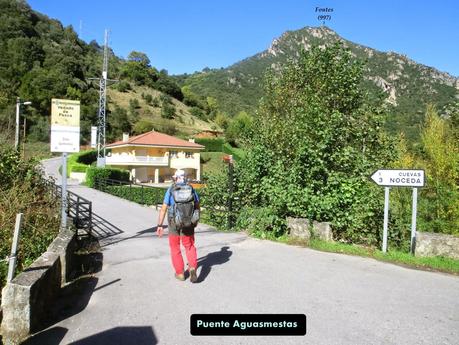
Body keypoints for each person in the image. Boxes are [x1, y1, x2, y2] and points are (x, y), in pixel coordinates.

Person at [156, 169, 200, 282]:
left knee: (175, 247)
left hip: (173, 223)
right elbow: (197, 206)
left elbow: (164, 208)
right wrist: (195, 220)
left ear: (175, 178)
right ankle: (192, 268)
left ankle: (180, 273)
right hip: (188, 222)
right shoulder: (191, 189)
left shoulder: (171, 189)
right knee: (189, 246)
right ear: (185, 177)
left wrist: (159, 225)